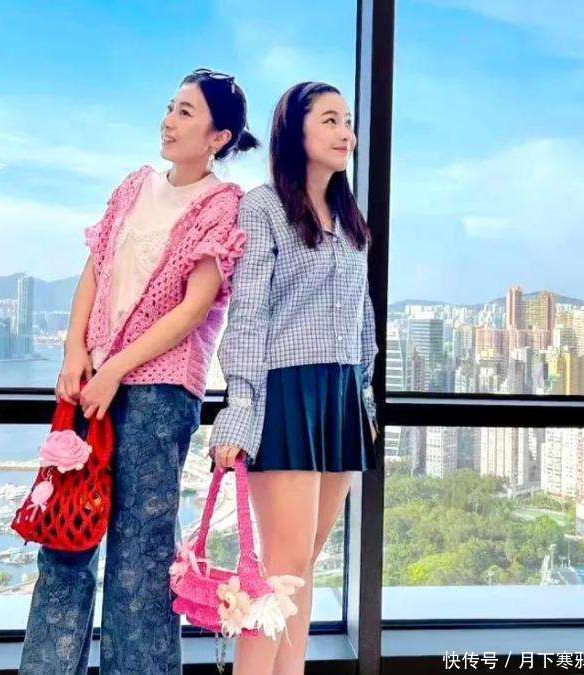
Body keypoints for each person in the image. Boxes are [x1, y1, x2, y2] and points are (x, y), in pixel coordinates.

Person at [19, 68, 259, 675]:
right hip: (91, 384)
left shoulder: (222, 205)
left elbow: (194, 308)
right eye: (170, 107)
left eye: (185, 112)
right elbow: (95, 272)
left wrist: (115, 370)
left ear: (218, 138)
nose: (168, 121)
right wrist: (74, 353)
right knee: (64, 538)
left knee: (141, 558)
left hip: (159, 393)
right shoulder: (133, 187)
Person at [210, 81, 378, 674]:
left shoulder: (350, 219)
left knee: (302, 571)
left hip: (341, 396)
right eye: (330, 120)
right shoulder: (264, 208)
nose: (345, 133)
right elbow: (248, 314)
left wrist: (365, 399)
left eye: (347, 121)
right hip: (286, 393)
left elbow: (363, 315)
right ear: (294, 130)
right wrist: (240, 407)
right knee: (278, 575)